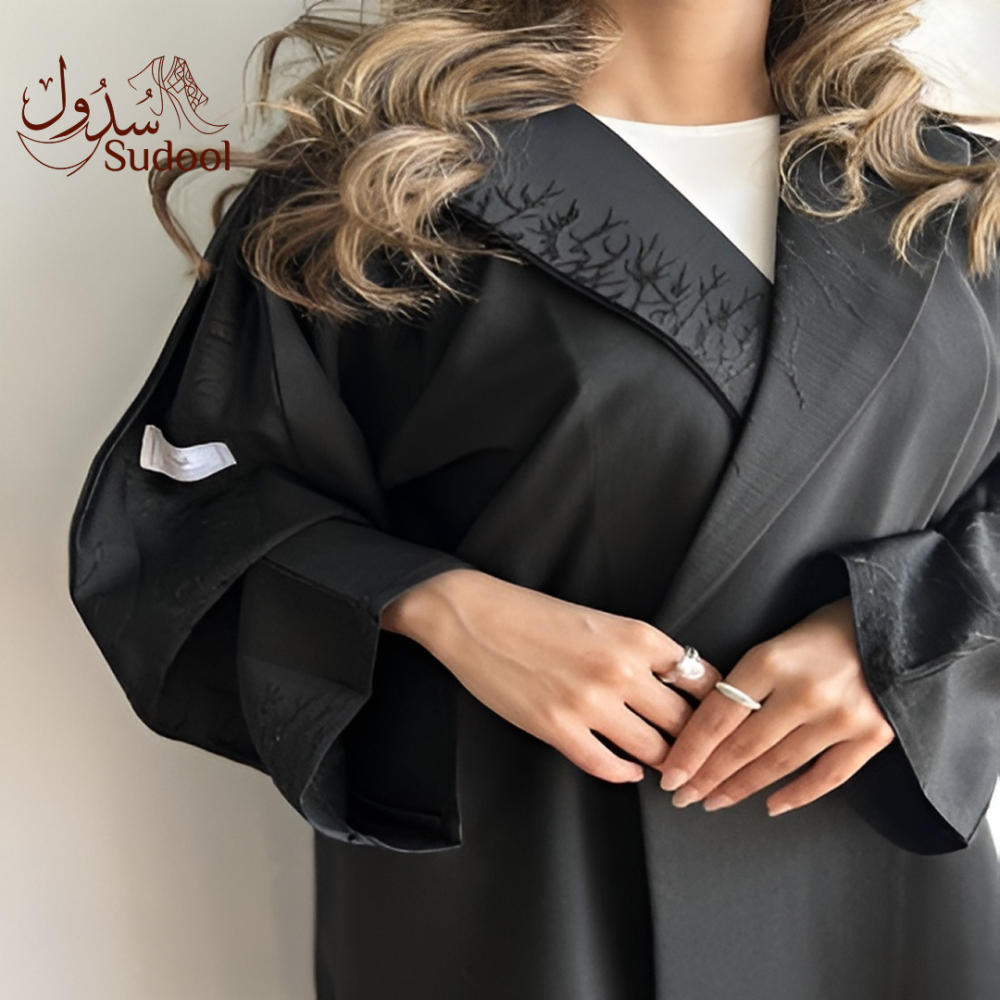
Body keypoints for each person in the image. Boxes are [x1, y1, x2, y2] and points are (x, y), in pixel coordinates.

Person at [68, 0, 1000, 997]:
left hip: (867, 882)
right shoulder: (387, 181)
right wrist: (445, 607)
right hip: (523, 878)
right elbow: (183, 509)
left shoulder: (945, 193)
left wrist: (901, 633)